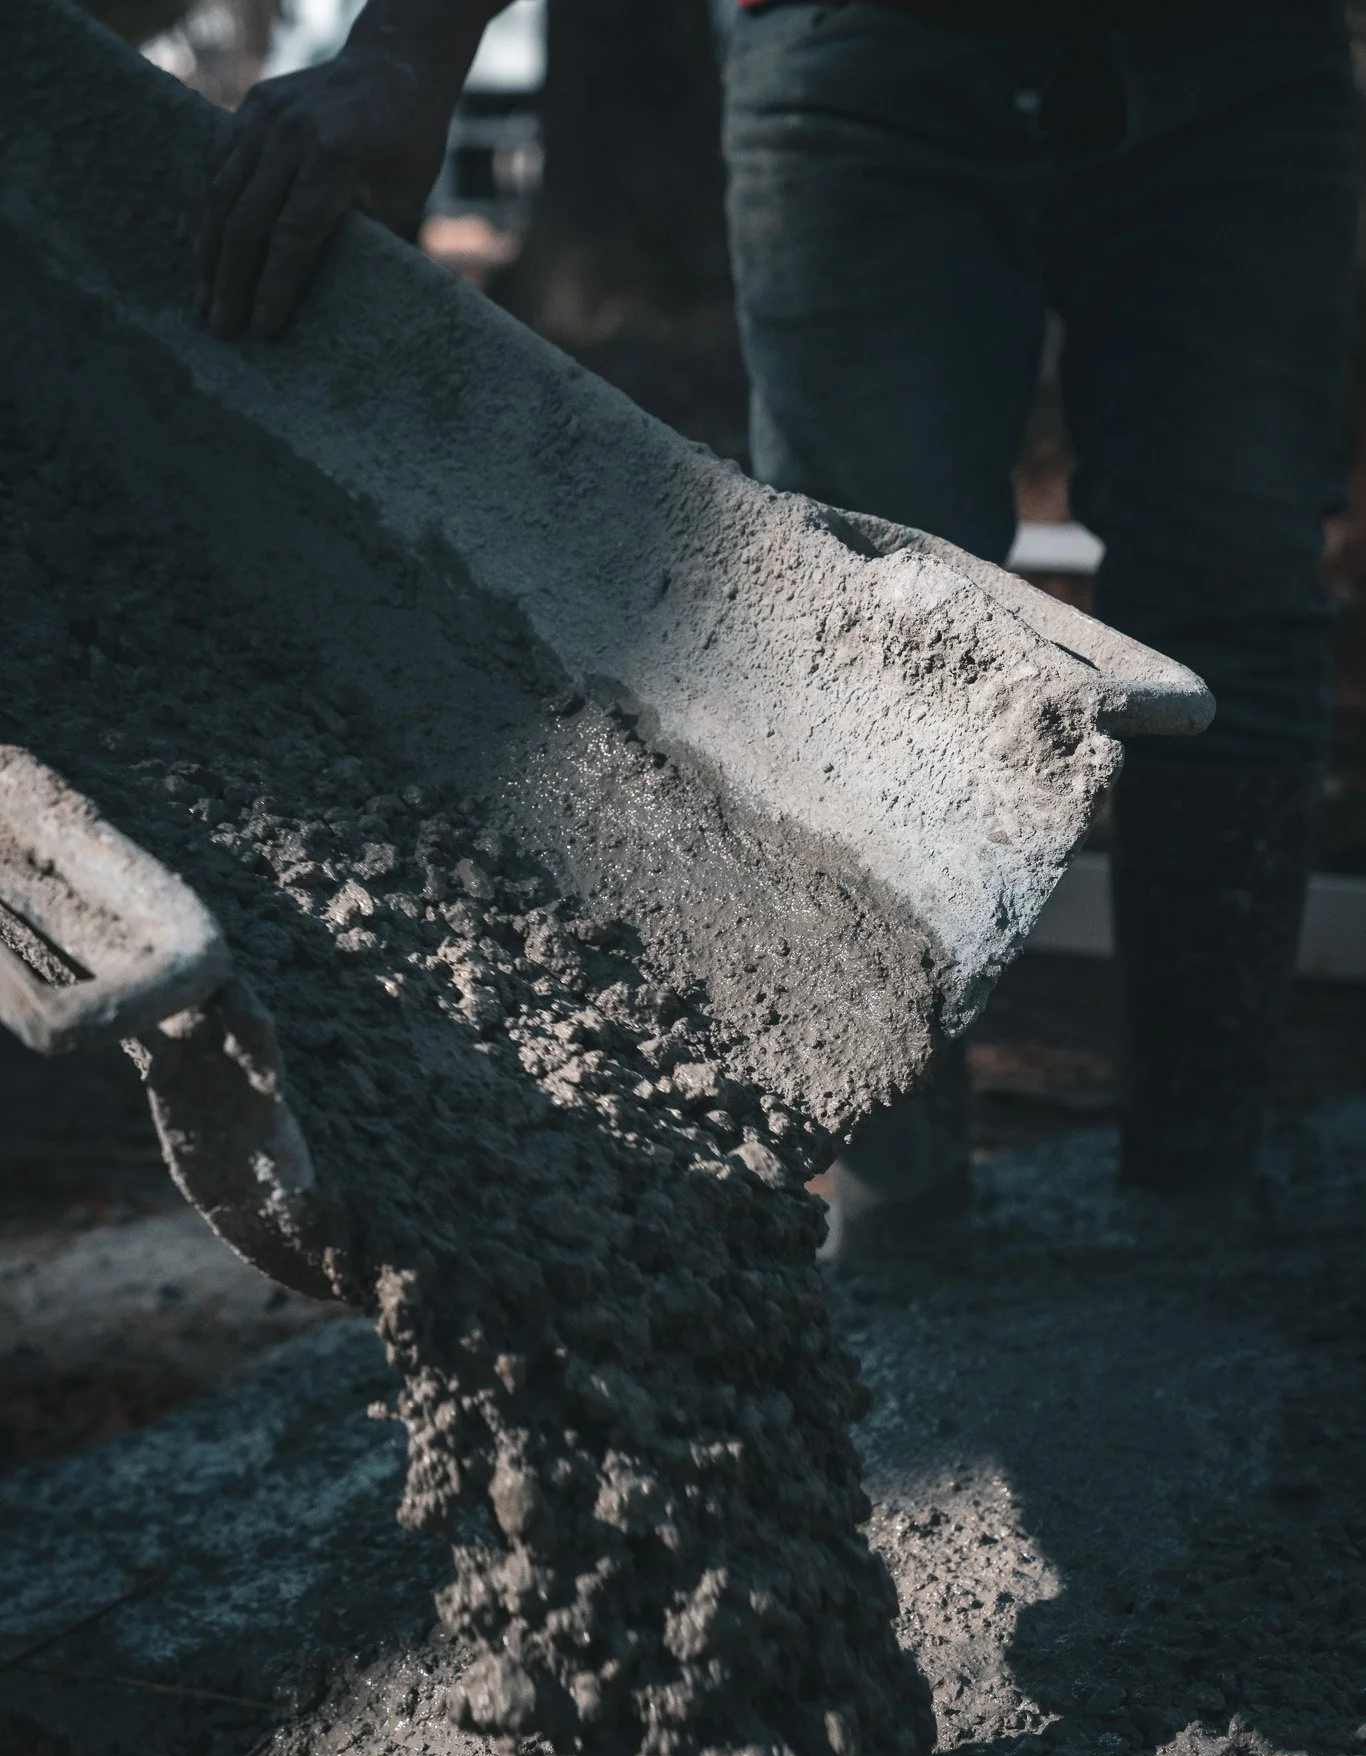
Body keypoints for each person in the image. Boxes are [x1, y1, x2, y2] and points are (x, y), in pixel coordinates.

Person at [199, 0, 1360, 1221]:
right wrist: (408, 47)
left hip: (1248, 54)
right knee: (867, 631)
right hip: (865, 53)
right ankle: (889, 1239)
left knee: (1232, 587)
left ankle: (1205, 1204)